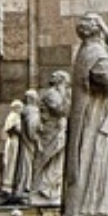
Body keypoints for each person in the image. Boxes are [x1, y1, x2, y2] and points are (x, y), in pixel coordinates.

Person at [62, 13, 108, 216]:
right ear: (99, 29)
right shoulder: (94, 53)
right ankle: (99, 209)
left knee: (101, 162)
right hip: (97, 121)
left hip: (95, 117)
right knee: (104, 162)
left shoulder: (86, 52)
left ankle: (99, 207)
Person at [29, 71, 70, 206]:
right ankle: (43, 188)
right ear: (60, 82)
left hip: (58, 132)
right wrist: (69, 99)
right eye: (65, 84)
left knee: (57, 162)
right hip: (50, 132)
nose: (66, 87)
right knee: (47, 159)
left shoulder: (59, 94)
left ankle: (52, 189)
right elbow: (61, 110)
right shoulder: (51, 94)